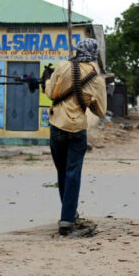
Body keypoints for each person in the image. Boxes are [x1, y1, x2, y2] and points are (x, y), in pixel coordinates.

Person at [44, 38, 107, 236]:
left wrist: (47, 81)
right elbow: (101, 111)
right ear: (94, 53)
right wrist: (86, 100)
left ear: (77, 50)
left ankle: (68, 215)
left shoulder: (63, 66)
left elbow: (51, 94)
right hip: (77, 129)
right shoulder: (96, 78)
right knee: (73, 173)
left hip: (56, 126)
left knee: (62, 172)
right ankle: (68, 218)